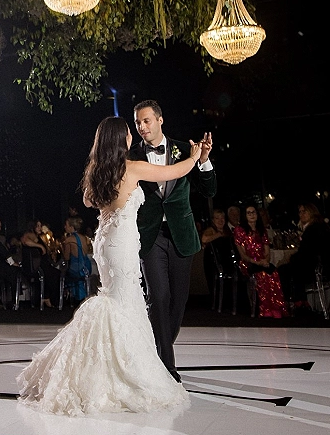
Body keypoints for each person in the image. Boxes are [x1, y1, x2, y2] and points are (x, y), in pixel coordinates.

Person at [17, 115, 201, 415]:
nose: (132, 135)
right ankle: (122, 368)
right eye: (128, 132)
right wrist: (194, 157)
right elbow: (175, 170)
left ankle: (109, 361)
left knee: (114, 298)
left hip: (105, 241)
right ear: (120, 139)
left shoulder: (97, 171)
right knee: (125, 301)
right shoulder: (132, 168)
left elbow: (89, 202)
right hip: (123, 242)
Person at [128, 99, 216, 382]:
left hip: (181, 235)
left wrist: (202, 162)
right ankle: (167, 366)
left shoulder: (185, 149)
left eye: (146, 121)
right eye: (138, 122)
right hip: (150, 237)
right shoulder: (131, 155)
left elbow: (209, 189)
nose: (142, 127)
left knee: (178, 301)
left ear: (160, 120)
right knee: (158, 296)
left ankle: (160, 348)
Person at [233, 204, 288, 318]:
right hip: (248, 262)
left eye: (254, 212)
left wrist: (265, 261)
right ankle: (265, 307)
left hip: (262, 261)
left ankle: (276, 306)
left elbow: (266, 250)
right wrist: (257, 262)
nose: (252, 215)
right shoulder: (240, 230)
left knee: (273, 273)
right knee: (262, 275)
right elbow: (243, 254)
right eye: (249, 213)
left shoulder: (262, 230)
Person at [278, 202, 330, 308]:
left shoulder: (312, 229)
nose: (301, 214)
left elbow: (306, 252)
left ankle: (294, 301)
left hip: (314, 266)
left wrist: (291, 258)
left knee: (284, 269)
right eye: (300, 212)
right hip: (321, 264)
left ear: (311, 212)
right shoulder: (321, 226)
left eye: (304, 211)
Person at [20, 219, 62, 308]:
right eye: (38, 226)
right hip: (37, 265)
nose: (40, 228)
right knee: (55, 274)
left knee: (55, 274)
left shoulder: (39, 236)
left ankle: (47, 297)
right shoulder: (29, 234)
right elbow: (26, 241)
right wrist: (40, 246)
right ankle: (50, 299)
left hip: (43, 263)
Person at [61, 214, 92, 303]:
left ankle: (69, 298)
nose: (65, 227)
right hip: (87, 267)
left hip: (77, 269)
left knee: (64, 272)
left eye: (66, 225)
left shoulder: (69, 240)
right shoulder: (84, 238)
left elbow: (66, 257)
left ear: (71, 227)